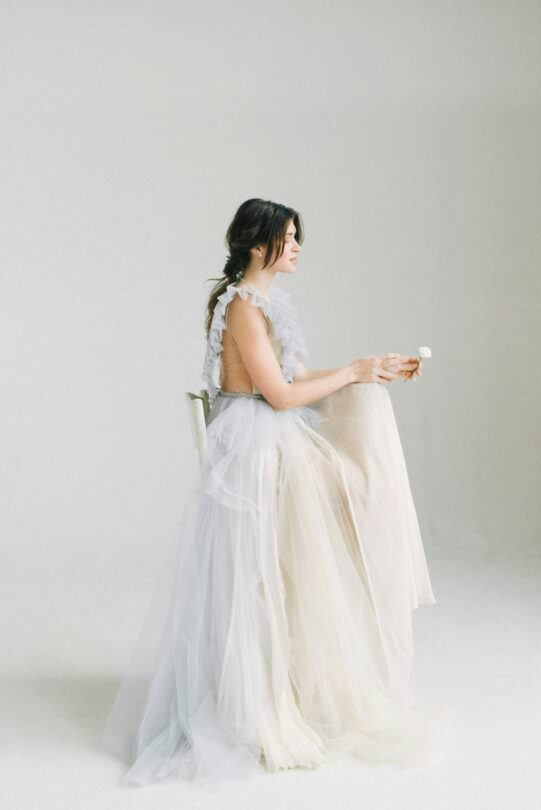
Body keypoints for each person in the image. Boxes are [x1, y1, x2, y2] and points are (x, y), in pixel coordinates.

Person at [102, 198, 445, 787]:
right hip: (254, 447)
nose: (298, 247)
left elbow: (290, 377)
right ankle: (262, 701)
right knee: (330, 509)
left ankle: (298, 677)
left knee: (345, 481)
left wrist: (367, 368)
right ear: (259, 245)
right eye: (289, 237)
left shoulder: (262, 303)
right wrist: (353, 374)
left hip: (266, 433)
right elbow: (280, 397)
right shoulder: (242, 307)